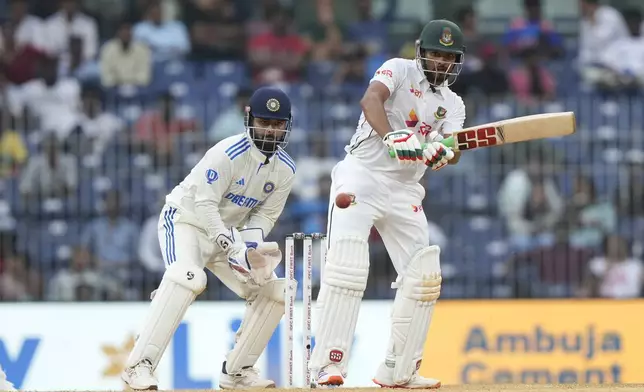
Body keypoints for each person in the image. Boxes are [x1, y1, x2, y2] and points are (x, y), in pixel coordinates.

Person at [310, 19, 466, 388]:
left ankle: (400, 370)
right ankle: (327, 365)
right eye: (435, 54)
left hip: (406, 189)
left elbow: (453, 147)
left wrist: (443, 154)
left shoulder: (453, 103)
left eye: (449, 58)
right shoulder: (398, 69)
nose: (441, 63)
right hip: (362, 174)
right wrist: (393, 135)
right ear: (420, 51)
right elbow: (370, 100)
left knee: (424, 277)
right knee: (346, 266)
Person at [121, 87, 297, 390]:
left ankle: (237, 373)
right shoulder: (226, 154)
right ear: (249, 119)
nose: (270, 131)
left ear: (287, 125)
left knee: (277, 290)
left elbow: (264, 217)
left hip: (227, 234)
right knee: (188, 277)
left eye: (277, 124)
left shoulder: (286, 170)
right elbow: (204, 205)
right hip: (186, 221)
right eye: (264, 122)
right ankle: (138, 367)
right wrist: (233, 247)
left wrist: (250, 249)